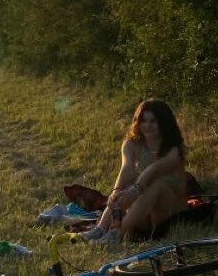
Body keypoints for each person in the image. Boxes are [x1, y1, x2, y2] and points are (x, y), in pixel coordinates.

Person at [80, 98, 188, 243]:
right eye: (143, 120)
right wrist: (116, 192)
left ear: (164, 123)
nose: (147, 126)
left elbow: (153, 170)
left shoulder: (173, 151)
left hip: (170, 214)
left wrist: (135, 190)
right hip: (144, 216)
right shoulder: (132, 144)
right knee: (126, 184)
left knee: (156, 184)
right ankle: (100, 229)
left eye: (153, 121)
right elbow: (127, 168)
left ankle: (116, 235)